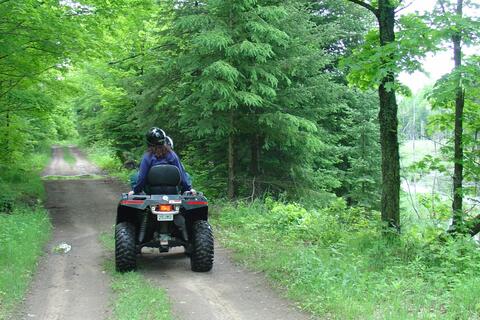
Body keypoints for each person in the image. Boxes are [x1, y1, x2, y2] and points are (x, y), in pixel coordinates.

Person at [128, 127, 195, 195]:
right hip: (172, 190)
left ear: (149, 142)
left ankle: (139, 193)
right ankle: (185, 192)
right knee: (186, 175)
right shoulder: (172, 154)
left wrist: (136, 191)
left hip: (152, 190)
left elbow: (142, 177)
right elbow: (181, 173)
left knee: (135, 176)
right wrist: (189, 188)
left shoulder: (148, 156)